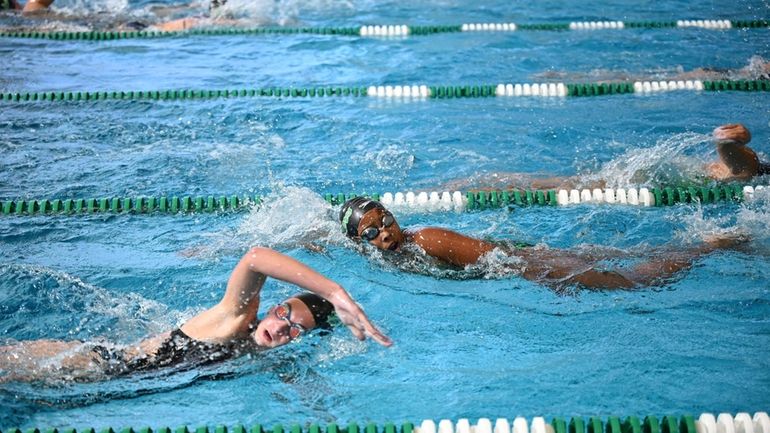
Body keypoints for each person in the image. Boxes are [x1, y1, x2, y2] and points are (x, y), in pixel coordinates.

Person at [0, 247, 392, 382]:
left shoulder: (255, 354)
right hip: (86, 365)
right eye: (283, 313)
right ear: (272, 308)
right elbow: (255, 258)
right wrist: (335, 292)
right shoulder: (235, 321)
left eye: (295, 330)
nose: (282, 327)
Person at [339, 197, 744, 291]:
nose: (385, 233)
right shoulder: (385, 255)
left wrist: (548, 275)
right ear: (361, 242)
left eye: (386, 221)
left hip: (530, 265)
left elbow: (498, 259)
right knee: (624, 262)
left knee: (633, 281)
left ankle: (712, 244)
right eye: (372, 233)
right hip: (526, 261)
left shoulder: (427, 239)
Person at [441, 123, 767, 192]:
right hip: (640, 178)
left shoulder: (752, 170)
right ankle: (484, 186)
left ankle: (479, 183)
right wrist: (733, 140)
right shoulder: (752, 172)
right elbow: (736, 159)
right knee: (556, 188)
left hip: (639, 173)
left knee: (558, 185)